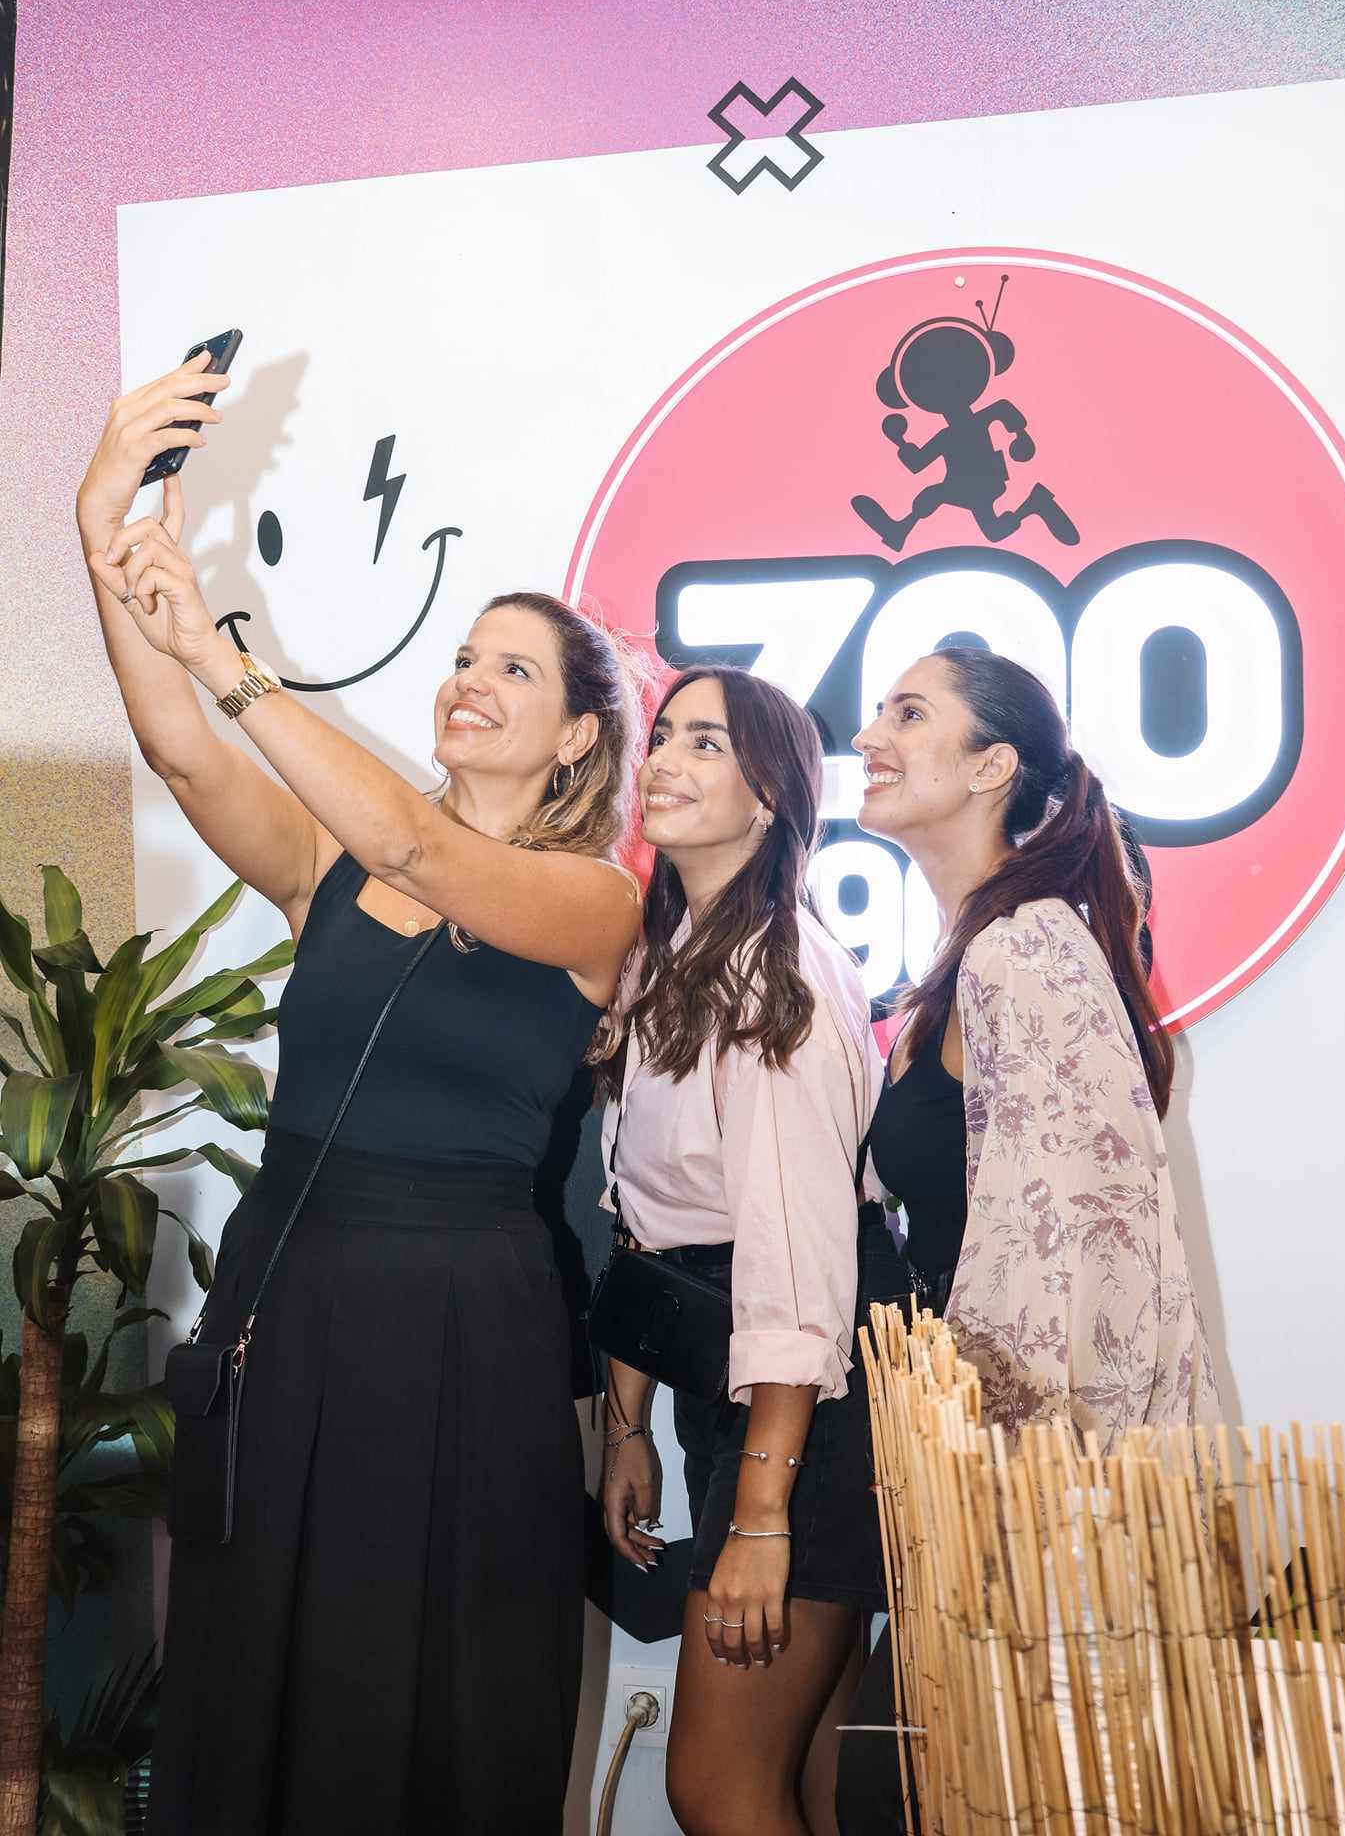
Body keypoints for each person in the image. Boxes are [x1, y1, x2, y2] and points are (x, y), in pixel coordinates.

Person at [75, 352, 643, 1835]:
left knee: (432, 1682)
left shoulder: (596, 902)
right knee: (256, 1659)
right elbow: (180, 751)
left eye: (513, 670)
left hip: (462, 1324)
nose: (469, 681)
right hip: (291, 1290)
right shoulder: (330, 862)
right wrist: (103, 543)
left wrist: (226, 657)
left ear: (580, 736)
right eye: (464, 656)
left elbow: (422, 851)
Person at [835, 645, 1218, 1835]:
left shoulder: (1029, 949)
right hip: (984, 1496)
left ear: (991, 763)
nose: (870, 735)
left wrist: (1011, 1516)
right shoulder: (974, 954)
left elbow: (1092, 1263)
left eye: (909, 712)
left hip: (1040, 1519)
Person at [599, 666, 898, 1836]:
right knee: (803, 1781)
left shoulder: (780, 975)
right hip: (734, 1386)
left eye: (706, 743)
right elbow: (649, 1221)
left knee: (717, 1785)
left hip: (809, 1402)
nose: (665, 759)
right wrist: (630, 1426)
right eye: (664, 734)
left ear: (771, 794)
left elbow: (795, 1267)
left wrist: (762, 1516)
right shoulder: (666, 957)